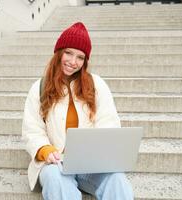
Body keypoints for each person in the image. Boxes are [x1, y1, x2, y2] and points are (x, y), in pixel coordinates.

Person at [22, 22, 133, 200]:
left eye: (80, 57)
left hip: (89, 164)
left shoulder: (97, 84)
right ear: (59, 52)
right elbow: (32, 129)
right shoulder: (39, 87)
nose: (73, 62)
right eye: (68, 53)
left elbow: (108, 122)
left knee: (117, 179)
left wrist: (96, 152)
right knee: (55, 179)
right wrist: (45, 149)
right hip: (55, 164)